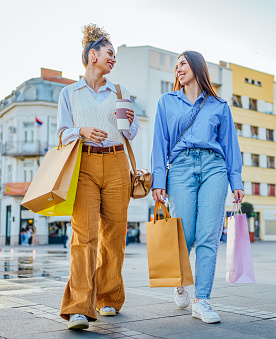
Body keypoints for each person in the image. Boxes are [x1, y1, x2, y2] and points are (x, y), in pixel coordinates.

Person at [151, 50, 244, 324]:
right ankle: (179, 281)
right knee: (185, 234)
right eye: (176, 65)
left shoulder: (219, 105)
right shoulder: (166, 102)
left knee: (208, 235)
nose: (178, 69)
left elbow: (230, 146)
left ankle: (202, 300)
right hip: (179, 168)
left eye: (183, 63)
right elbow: (159, 143)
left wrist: (235, 181)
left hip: (215, 167)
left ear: (197, 67)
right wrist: (158, 180)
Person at [57, 24, 139, 331]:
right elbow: (62, 134)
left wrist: (131, 122)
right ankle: (79, 307)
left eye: (115, 55)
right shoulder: (69, 93)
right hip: (85, 165)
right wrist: (81, 131)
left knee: (115, 236)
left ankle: (108, 298)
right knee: (84, 236)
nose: (113, 59)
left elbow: (129, 133)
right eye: (110, 53)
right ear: (93, 55)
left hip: (118, 163)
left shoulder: (120, 91)